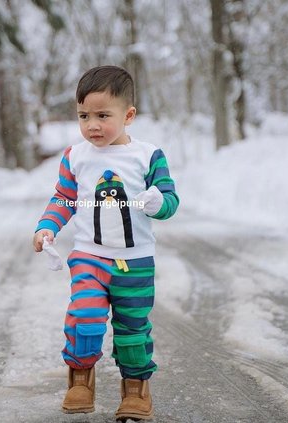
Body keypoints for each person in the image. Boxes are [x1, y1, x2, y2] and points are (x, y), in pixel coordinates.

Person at [32, 65, 179, 421]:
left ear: (128, 115)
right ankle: (80, 378)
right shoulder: (76, 156)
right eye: (84, 115)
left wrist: (158, 202)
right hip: (89, 258)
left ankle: (135, 388)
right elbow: (64, 198)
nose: (92, 125)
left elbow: (170, 201)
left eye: (102, 115)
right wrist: (47, 226)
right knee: (84, 317)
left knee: (132, 330)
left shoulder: (148, 156)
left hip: (136, 262)